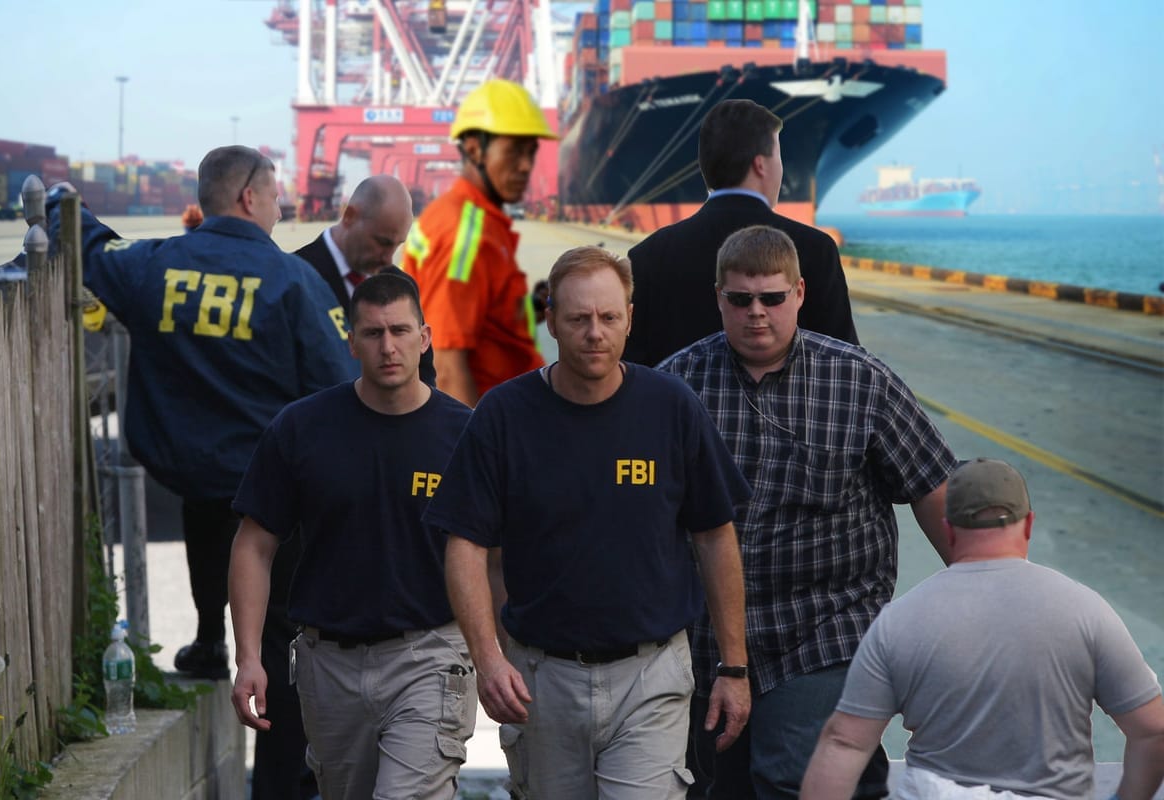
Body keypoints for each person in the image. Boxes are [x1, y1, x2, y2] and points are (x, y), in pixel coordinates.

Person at [426, 246, 753, 799]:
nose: (595, 333)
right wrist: (487, 659)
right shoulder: (504, 415)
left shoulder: (671, 407)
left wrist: (734, 668)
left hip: (650, 676)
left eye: (608, 317)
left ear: (630, 318)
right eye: (578, 319)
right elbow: (464, 544)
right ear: (551, 321)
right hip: (541, 680)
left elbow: (715, 536)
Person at [658, 225, 957, 799]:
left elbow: (933, 487)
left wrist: (983, 594)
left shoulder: (861, 382)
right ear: (718, 298)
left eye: (772, 298)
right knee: (710, 786)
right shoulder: (675, 386)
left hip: (826, 624)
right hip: (707, 637)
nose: (757, 313)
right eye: (740, 299)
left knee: (794, 773)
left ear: (798, 293)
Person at [46, 145, 355, 690]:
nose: (280, 209)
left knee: (209, 511)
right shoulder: (295, 282)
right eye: (276, 197)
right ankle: (275, 697)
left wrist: (58, 202)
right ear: (249, 197)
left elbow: (91, 249)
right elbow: (339, 385)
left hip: (190, 468)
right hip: (272, 484)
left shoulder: (152, 265)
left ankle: (211, 637)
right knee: (282, 623)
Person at [229, 273, 476, 800]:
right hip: (330, 665)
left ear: (424, 338)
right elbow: (254, 546)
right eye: (373, 333)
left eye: (400, 331)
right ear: (351, 342)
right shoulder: (301, 429)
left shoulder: (464, 435)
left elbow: (495, 557)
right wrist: (248, 656)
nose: (388, 347)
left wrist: (501, 658)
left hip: (430, 656)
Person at [801, 458, 1164, 800]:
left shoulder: (899, 621)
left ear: (948, 529)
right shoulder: (1085, 611)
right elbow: (1153, 731)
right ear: (1029, 524)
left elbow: (845, 743)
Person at [625, 99, 857, 368]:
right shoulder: (816, 249)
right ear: (761, 165)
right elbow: (847, 361)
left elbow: (632, 368)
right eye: (778, 157)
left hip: (672, 395)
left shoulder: (647, 255)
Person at [402, 78, 554, 405]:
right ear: (474, 148)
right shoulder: (463, 232)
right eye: (513, 152)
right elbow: (447, 365)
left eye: (531, 152)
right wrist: (470, 436)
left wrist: (531, 308)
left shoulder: (479, 221)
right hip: (493, 418)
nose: (526, 166)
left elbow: (483, 321)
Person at [293, 175, 436, 384]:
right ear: (350, 216)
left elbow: (424, 374)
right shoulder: (294, 278)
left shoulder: (401, 284)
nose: (388, 258)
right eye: (383, 242)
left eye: (397, 245)